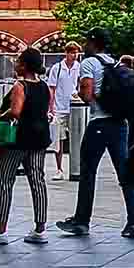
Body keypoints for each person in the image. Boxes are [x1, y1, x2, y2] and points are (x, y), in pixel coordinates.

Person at [56, 29, 134, 239]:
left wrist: (88, 94)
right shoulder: (115, 63)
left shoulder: (90, 63)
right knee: (124, 172)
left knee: (87, 171)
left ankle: (81, 220)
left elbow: (86, 95)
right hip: (120, 123)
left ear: (93, 42)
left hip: (100, 122)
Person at [0, 47, 50, 246]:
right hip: (39, 138)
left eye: (19, 62)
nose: (16, 65)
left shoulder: (21, 85)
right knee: (38, 181)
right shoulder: (44, 86)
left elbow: (16, 111)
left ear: (26, 65)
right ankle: (40, 229)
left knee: (5, 181)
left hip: (18, 139)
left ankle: (1, 231)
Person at [46, 42, 81, 182]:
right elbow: (51, 89)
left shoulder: (80, 67)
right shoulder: (57, 68)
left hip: (75, 106)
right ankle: (59, 169)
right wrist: (51, 107)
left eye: (76, 52)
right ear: (66, 53)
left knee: (77, 139)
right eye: (72, 52)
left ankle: (77, 167)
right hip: (59, 108)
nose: (75, 55)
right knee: (58, 140)